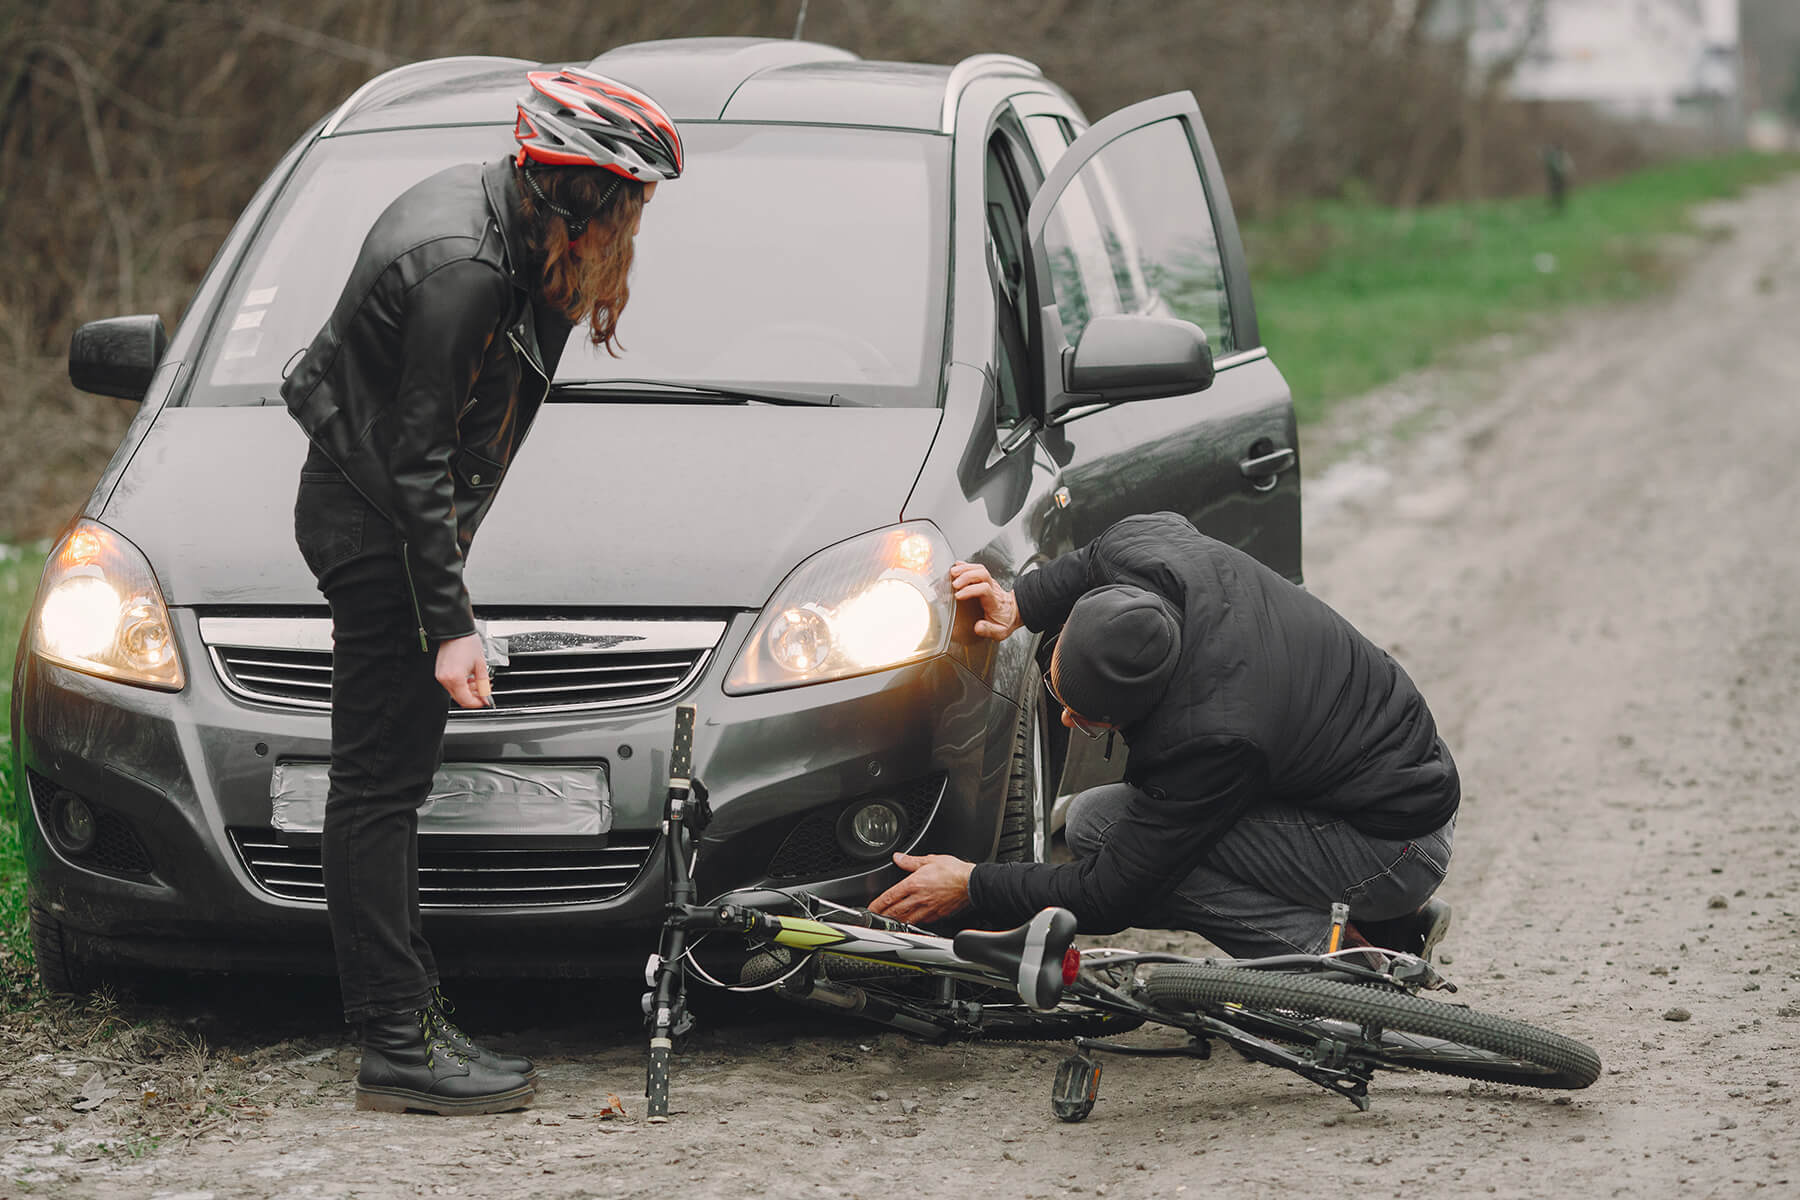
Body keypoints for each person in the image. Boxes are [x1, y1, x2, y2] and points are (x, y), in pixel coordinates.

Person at [281, 67, 683, 1115]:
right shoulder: (461, 265)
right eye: (629, 201)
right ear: (577, 191)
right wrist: (448, 626)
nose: (636, 223)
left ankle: (410, 1010)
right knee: (376, 788)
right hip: (379, 530)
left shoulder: (509, 226)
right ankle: (395, 1046)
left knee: (391, 785)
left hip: (389, 516)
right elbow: (416, 460)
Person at [870, 512, 1458, 963]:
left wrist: (972, 884)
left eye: (1089, 719)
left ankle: (1341, 966)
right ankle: (1391, 928)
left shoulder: (1212, 737)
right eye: (1059, 697)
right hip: (1365, 781)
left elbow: (1114, 894)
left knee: (1136, 849)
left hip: (1396, 845)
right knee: (1092, 820)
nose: (1068, 722)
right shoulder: (1148, 550)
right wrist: (1017, 601)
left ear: (1147, 705)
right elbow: (1093, 560)